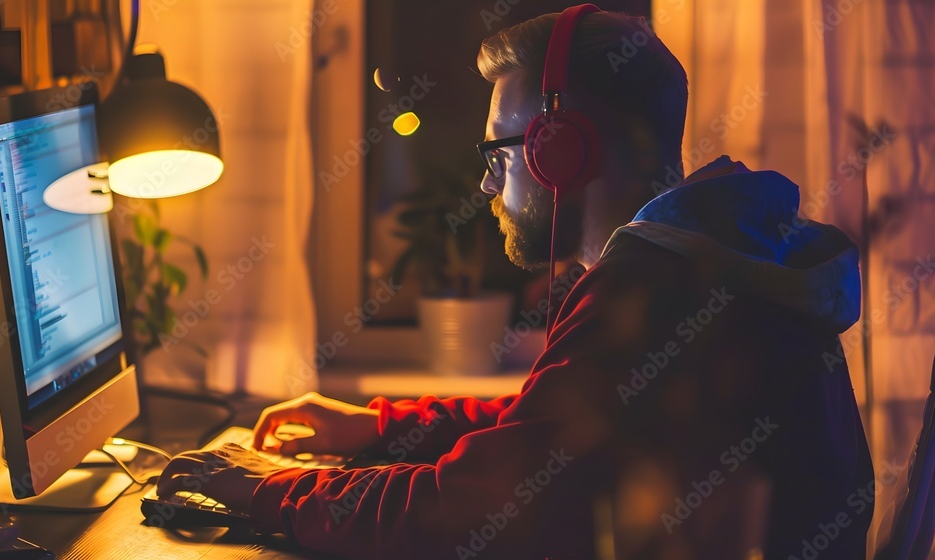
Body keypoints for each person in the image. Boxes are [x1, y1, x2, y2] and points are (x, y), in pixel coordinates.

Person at [158, 8, 874, 560]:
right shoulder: (712, 255)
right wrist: (377, 426)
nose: (486, 185)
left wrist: (264, 487)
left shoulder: (657, 286)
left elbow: (458, 512)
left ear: (559, 152)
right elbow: (546, 433)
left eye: (498, 153)